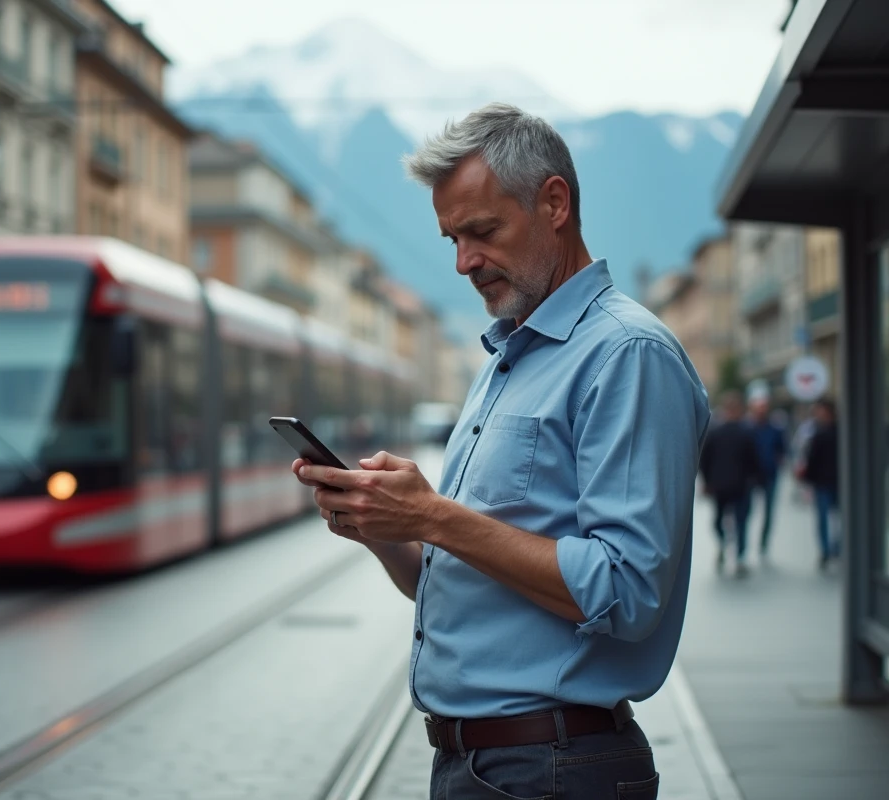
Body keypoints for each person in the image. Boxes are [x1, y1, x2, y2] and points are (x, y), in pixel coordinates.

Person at [291, 104, 709, 799]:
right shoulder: (505, 362)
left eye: (482, 232)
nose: (464, 262)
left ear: (554, 203)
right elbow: (462, 579)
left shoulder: (626, 355)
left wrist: (432, 515)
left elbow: (629, 590)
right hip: (481, 766)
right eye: (452, 239)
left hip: (555, 765)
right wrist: (382, 528)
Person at [699, 392, 763, 576]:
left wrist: (707, 481)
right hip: (739, 485)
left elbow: (705, 460)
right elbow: (754, 461)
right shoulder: (746, 432)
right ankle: (738, 555)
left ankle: (725, 545)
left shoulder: (716, 432)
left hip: (722, 485)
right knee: (740, 522)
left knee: (721, 521)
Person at [801, 398, 840, 569]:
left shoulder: (834, 432)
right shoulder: (817, 432)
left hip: (835, 482)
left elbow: (811, 459)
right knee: (825, 518)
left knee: (835, 519)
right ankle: (827, 550)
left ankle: (834, 549)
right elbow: (811, 459)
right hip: (823, 482)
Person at [747, 396, 786, 558]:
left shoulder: (775, 429)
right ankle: (744, 543)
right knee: (747, 511)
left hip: (770, 475)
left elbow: (782, 450)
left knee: (769, 511)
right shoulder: (748, 429)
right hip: (751, 476)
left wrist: (776, 462)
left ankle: (764, 541)